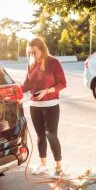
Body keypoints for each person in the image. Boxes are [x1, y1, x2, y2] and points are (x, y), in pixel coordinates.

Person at [21, 37, 66, 177]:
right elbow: (26, 86)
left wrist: (47, 91)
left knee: (51, 135)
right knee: (40, 136)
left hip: (51, 105)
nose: (32, 55)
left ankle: (58, 167)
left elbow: (62, 84)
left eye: (34, 52)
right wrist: (14, 92)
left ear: (42, 49)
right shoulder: (31, 64)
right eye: (29, 53)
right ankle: (43, 164)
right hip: (34, 106)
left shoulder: (53, 62)